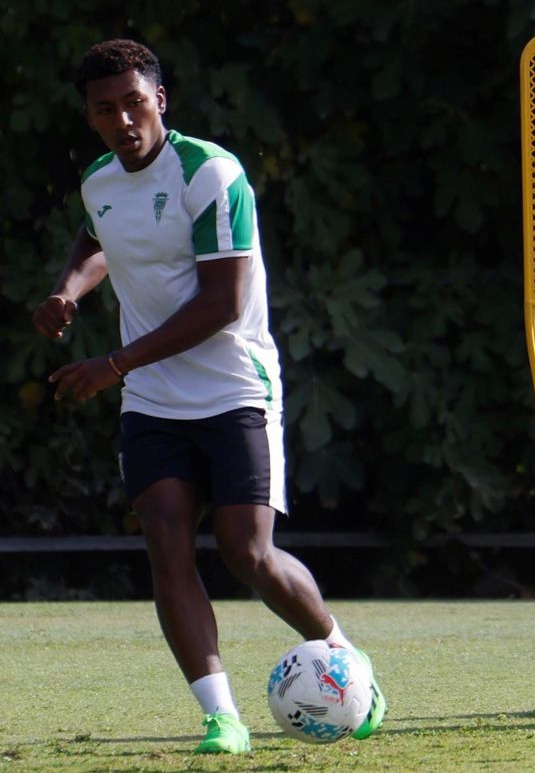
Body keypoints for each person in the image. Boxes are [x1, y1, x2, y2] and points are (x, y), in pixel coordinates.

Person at [32, 39, 385, 754]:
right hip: (154, 398)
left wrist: (114, 363)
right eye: (107, 109)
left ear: (159, 100)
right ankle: (222, 719)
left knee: (245, 551)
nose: (124, 119)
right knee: (165, 541)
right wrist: (67, 290)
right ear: (91, 118)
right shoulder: (99, 180)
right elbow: (96, 236)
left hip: (232, 387)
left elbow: (223, 302)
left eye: (135, 102)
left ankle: (344, 661)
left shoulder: (211, 174)